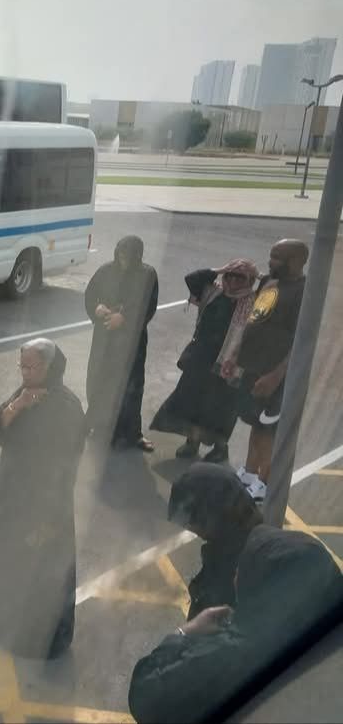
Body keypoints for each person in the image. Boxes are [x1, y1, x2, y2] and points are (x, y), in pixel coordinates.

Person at [128, 525, 343, 724]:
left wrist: (186, 631)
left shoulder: (231, 654)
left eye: (244, 565)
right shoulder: (320, 631)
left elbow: (144, 697)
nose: (236, 573)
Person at [0, 338, 87, 659]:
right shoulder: (24, 395)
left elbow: (66, 461)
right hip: (13, 497)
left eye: (32, 367)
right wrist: (19, 406)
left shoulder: (66, 406)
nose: (25, 373)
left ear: (50, 367)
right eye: (22, 366)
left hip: (45, 504)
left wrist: (47, 515)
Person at [150, 260, 259, 462]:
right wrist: (220, 270)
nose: (233, 281)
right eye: (230, 276)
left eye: (240, 277)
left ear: (250, 281)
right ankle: (192, 442)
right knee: (194, 401)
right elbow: (192, 279)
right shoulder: (214, 292)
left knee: (223, 408)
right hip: (200, 359)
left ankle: (220, 447)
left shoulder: (254, 302)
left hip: (228, 366)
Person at [234, 239, 308, 501]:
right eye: (271, 255)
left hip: (276, 376)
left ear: (297, 261)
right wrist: (235, 354)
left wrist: (277, 375)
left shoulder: (304, 292)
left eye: (277, 257)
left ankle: (265, 484)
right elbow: (254, 319)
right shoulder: (268, 281)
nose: (271, 261)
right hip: (254, 369)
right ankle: (249, 473)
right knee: (256, 424)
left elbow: (301, 340)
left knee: (269, 431)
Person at [84, 235, 159, 451]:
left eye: (128, 256)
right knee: (99, 380)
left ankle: (131, 432)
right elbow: (91, 295)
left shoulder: (147, 274)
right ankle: (99, 425)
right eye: (120, 255)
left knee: (131, 386)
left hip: (131, 343)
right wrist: (97, 308)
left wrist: (124, 320)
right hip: (105, 338)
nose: (123, 260)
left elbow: (148, 305)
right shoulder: (106, 270)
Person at [167, 463, 263, 620]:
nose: (192, 530)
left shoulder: (229, 570)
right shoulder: (240, 528)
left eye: (191, 523)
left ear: (212, 517)